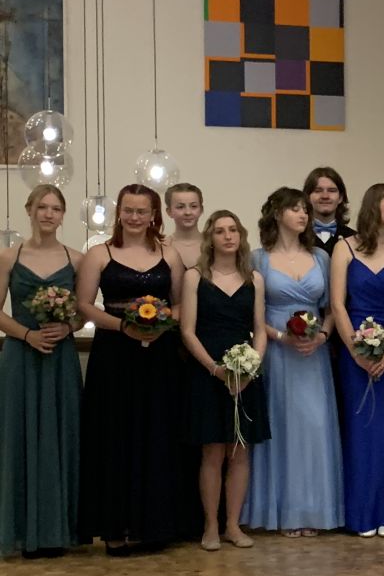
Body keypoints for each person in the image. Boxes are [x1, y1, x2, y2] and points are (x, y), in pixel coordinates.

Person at [77, 184, 187, 555]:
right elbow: (84, 305)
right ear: (119, 212)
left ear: (154, 215)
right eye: (128, 210)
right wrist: (124, 327)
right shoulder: (99, 253)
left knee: (157, 433)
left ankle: (154, 525)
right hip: (113, 356)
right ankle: (115, 527)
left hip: (159, 355)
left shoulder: (169, 254)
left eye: (142, 211)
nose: (135, 217)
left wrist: (161, 325)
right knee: (115, 435)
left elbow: (181, 304)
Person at [242, 188, 344, 537]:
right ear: (277, 214)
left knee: (315, 427)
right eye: (295, 209)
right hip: (276, 353)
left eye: (305, 210)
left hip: (313, 356)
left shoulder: (321, 257)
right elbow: (251, 313)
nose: (303, 214)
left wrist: (322, 336)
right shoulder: (258, 259)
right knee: (281, 427)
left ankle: (315, 510)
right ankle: (282, 510)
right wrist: (278, 336)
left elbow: (332, 308)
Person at [331, 183, 384, 537]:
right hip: (353, 347)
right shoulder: (344, 248)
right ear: (375, 206)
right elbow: (337, 304)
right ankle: (362, 512)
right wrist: (356, 351)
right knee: (360, 429)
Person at [0, 185, 83, 558]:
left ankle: (57, 530)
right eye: (42, 207)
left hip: (60, 358)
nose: (49, 214)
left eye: (56, 208)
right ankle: (21, 530)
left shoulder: (76, 259)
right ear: (29, 210)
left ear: (63, 215)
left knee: (61, 434)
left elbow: (84, 311)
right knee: (18, 436)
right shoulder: (9, 257)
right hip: (20, 355)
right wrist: (27, 335)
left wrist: (68, 327)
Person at [181, 210, 270, 551]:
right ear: (211, 238)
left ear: (241, 236)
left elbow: (260, 329)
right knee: (212, 452)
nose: (228, 236)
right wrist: (215, 369)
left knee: (240, 451)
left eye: (233, 230)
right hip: (208, 371)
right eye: (220, 231)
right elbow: (187, 331)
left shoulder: (254, 278)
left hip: (245, 372)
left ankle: (233, 524)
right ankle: (211, 525)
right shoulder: (195, 277)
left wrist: (251, 368)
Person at [304, 166, 356, 255]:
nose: (325, 196)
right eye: (318, 191)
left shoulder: (354, 239)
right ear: (307, 197)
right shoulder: (297, 237)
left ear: (340, 198)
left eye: (332, 191)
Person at [164, 183, 205, 269]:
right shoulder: (162, 247)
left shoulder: (213, 244)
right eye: (180, 207)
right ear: (169, 212)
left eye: (193, 206)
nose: (188, 212)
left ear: (201, 210)